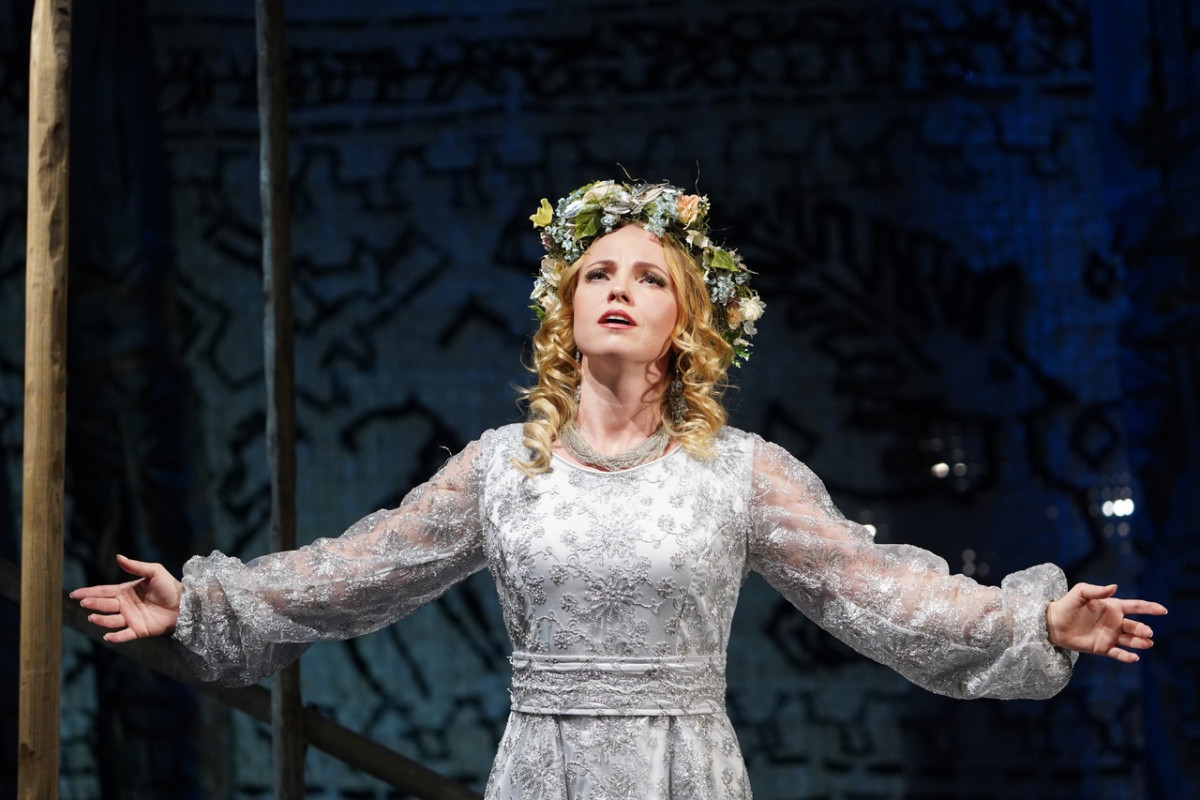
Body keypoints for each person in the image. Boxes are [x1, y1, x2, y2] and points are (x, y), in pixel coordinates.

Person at [72, 179, 1168, 799]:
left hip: (683, 770)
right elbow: (360, 570)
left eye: (649, 277)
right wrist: (203, 601)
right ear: (566, 307)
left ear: (685, 321)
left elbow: (874, 588)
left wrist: (1034, 619)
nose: (619, 288)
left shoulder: (738, 471)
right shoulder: (503, 466)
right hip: (542, 768)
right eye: (598, 271)